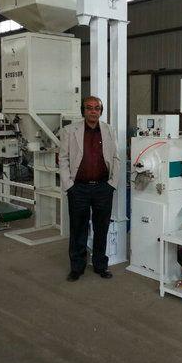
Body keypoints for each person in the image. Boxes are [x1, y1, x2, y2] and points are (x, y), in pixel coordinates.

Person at [58, 96, 120, 282]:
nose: (93, 111)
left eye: (97, 108)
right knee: (78, 229)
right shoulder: (70, 131)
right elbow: (63, 158)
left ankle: (100, 265)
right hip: (78, 189)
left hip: (103, 188)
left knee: (102, 228)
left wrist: (112, 184)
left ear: (101, 111)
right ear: (83, 111)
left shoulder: (109, 130)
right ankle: (77, 267)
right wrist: (69, 185)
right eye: (89, 108)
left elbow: (116, 158)